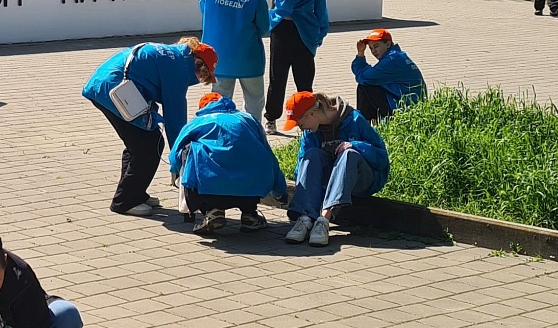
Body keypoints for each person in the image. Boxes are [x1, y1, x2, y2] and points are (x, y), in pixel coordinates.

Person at [82, 37, 217, 215]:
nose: (200, 79)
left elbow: (148, 83)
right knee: (149, 144)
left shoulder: (175, 56)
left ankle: (134, 193)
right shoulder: (179, 68)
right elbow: (174, 115)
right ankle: (124, 201)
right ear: (198, 63)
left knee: (139, 143)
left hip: (106, 85)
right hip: (114, 92)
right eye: (203, 74)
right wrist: (179, 157)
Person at [280, 91, 390, 247]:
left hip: (361, 180)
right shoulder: (310, 132)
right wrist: (305, 197)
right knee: (311, 154)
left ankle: (324, 219)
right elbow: (302, 166)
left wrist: (355, 145)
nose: (300, 127)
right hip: (329, 183)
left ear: (311, 114)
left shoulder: (354, 119)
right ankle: (305, 218)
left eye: (300, 122)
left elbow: (381, 158)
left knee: (349, 153)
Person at [170, 93, 287, 234]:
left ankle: (213, 211)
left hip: (210, 185)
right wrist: (280, 193)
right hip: (251, 187)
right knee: (250, 161)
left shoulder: (198, 121)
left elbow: (174, 156)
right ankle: (250, 214)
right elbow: (270, 157)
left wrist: (178, 178)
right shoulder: (248, 119)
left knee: (191, 151)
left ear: (202, 108)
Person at [263, 0, 329, 134]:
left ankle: (271, 119)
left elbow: (282, 9)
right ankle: (309, 121)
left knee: (277, 78)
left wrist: (267, 21)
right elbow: (322, 11)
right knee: (305, 80)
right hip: (306, 35)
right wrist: (320, 32)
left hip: (284, 33)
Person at [200, 0, 271, 119]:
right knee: (254, 104)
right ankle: (253, 137)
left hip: (218, 60)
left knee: (219, 105)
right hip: (249, 60)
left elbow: (205, 12)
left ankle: (219, 137)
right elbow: (264, 27)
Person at [349, 29, 426, 122]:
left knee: (365, 87)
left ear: (388, 44)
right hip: (409, 101)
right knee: (369, 85)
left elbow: (364, 77)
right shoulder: (397, 56)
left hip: (407, 107)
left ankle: (363, 126)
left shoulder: (391, 60)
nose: (373, 51)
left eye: (376, 46)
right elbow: (364, 76)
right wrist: (360, 53)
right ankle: (367, 125)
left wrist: (360, 56)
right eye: (371, 48)